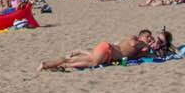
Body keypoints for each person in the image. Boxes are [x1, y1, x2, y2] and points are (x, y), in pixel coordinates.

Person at [41, 28, 171, 72]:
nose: (149, 39)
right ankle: (58, 64)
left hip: (107, 54)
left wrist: (160, 46)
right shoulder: (134, 39)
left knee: (86, 60)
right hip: (107, 49)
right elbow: (133, 43)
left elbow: (154, 55)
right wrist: (147, 44)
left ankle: (48, 64)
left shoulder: (141, 49)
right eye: (147, 36)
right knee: (92, 63)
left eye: (150, 37)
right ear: (141, 35)